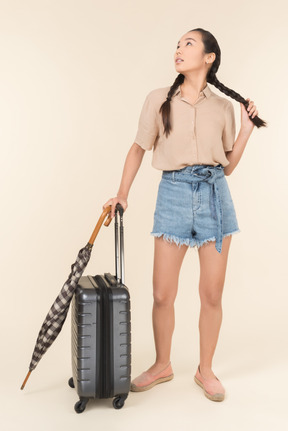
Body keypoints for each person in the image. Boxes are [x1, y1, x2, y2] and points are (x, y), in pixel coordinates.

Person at [103, 27, 267, 402]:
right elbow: (138, 147)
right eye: (177, 45)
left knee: (211, 293)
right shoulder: (158, 99)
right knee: (162, 294)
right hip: (174, 194)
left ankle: (205, 370)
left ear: (209, 58)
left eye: (188, 44)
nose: (178, 49)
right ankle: (163, 365)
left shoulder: (223, 107)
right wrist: (122, 194)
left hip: (214, 198)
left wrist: (245, 132)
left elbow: (226, 168)